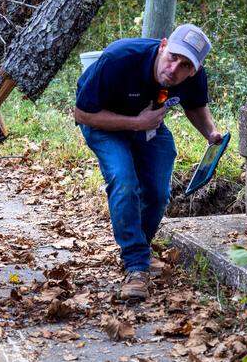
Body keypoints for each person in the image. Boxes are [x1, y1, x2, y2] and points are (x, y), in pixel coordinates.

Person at [73, 23, 223, 302]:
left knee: (157, 192)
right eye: (172, 57)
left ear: (195, 70)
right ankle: (136, 265)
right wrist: (135, 122)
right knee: (124, 180)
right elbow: (81, 114)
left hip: (148, 124)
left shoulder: (193, 77)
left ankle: (138, 249)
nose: (174, 69)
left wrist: (211, 133)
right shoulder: (120, 58)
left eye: (185, 66)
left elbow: (195, 106)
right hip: (102, 122)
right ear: (163, 45)